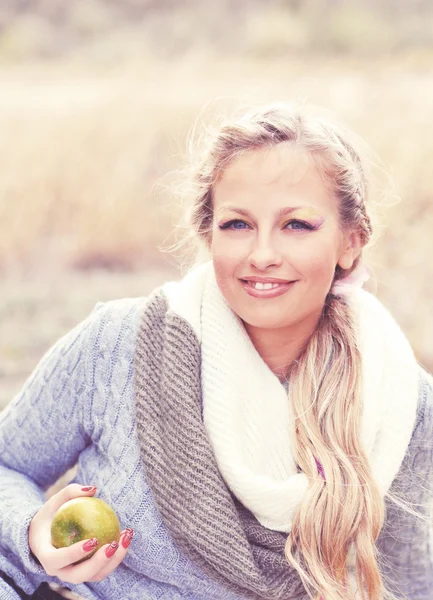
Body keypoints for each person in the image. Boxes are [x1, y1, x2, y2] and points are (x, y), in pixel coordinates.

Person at [0, 101, 432, 600]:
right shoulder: (118, 346)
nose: (263, 255)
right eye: (237, 224)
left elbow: (407, 584)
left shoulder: (399, 402)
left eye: (297, 225)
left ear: (350, 243)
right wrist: (34, 529)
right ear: (208, 234)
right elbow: (7, 464)